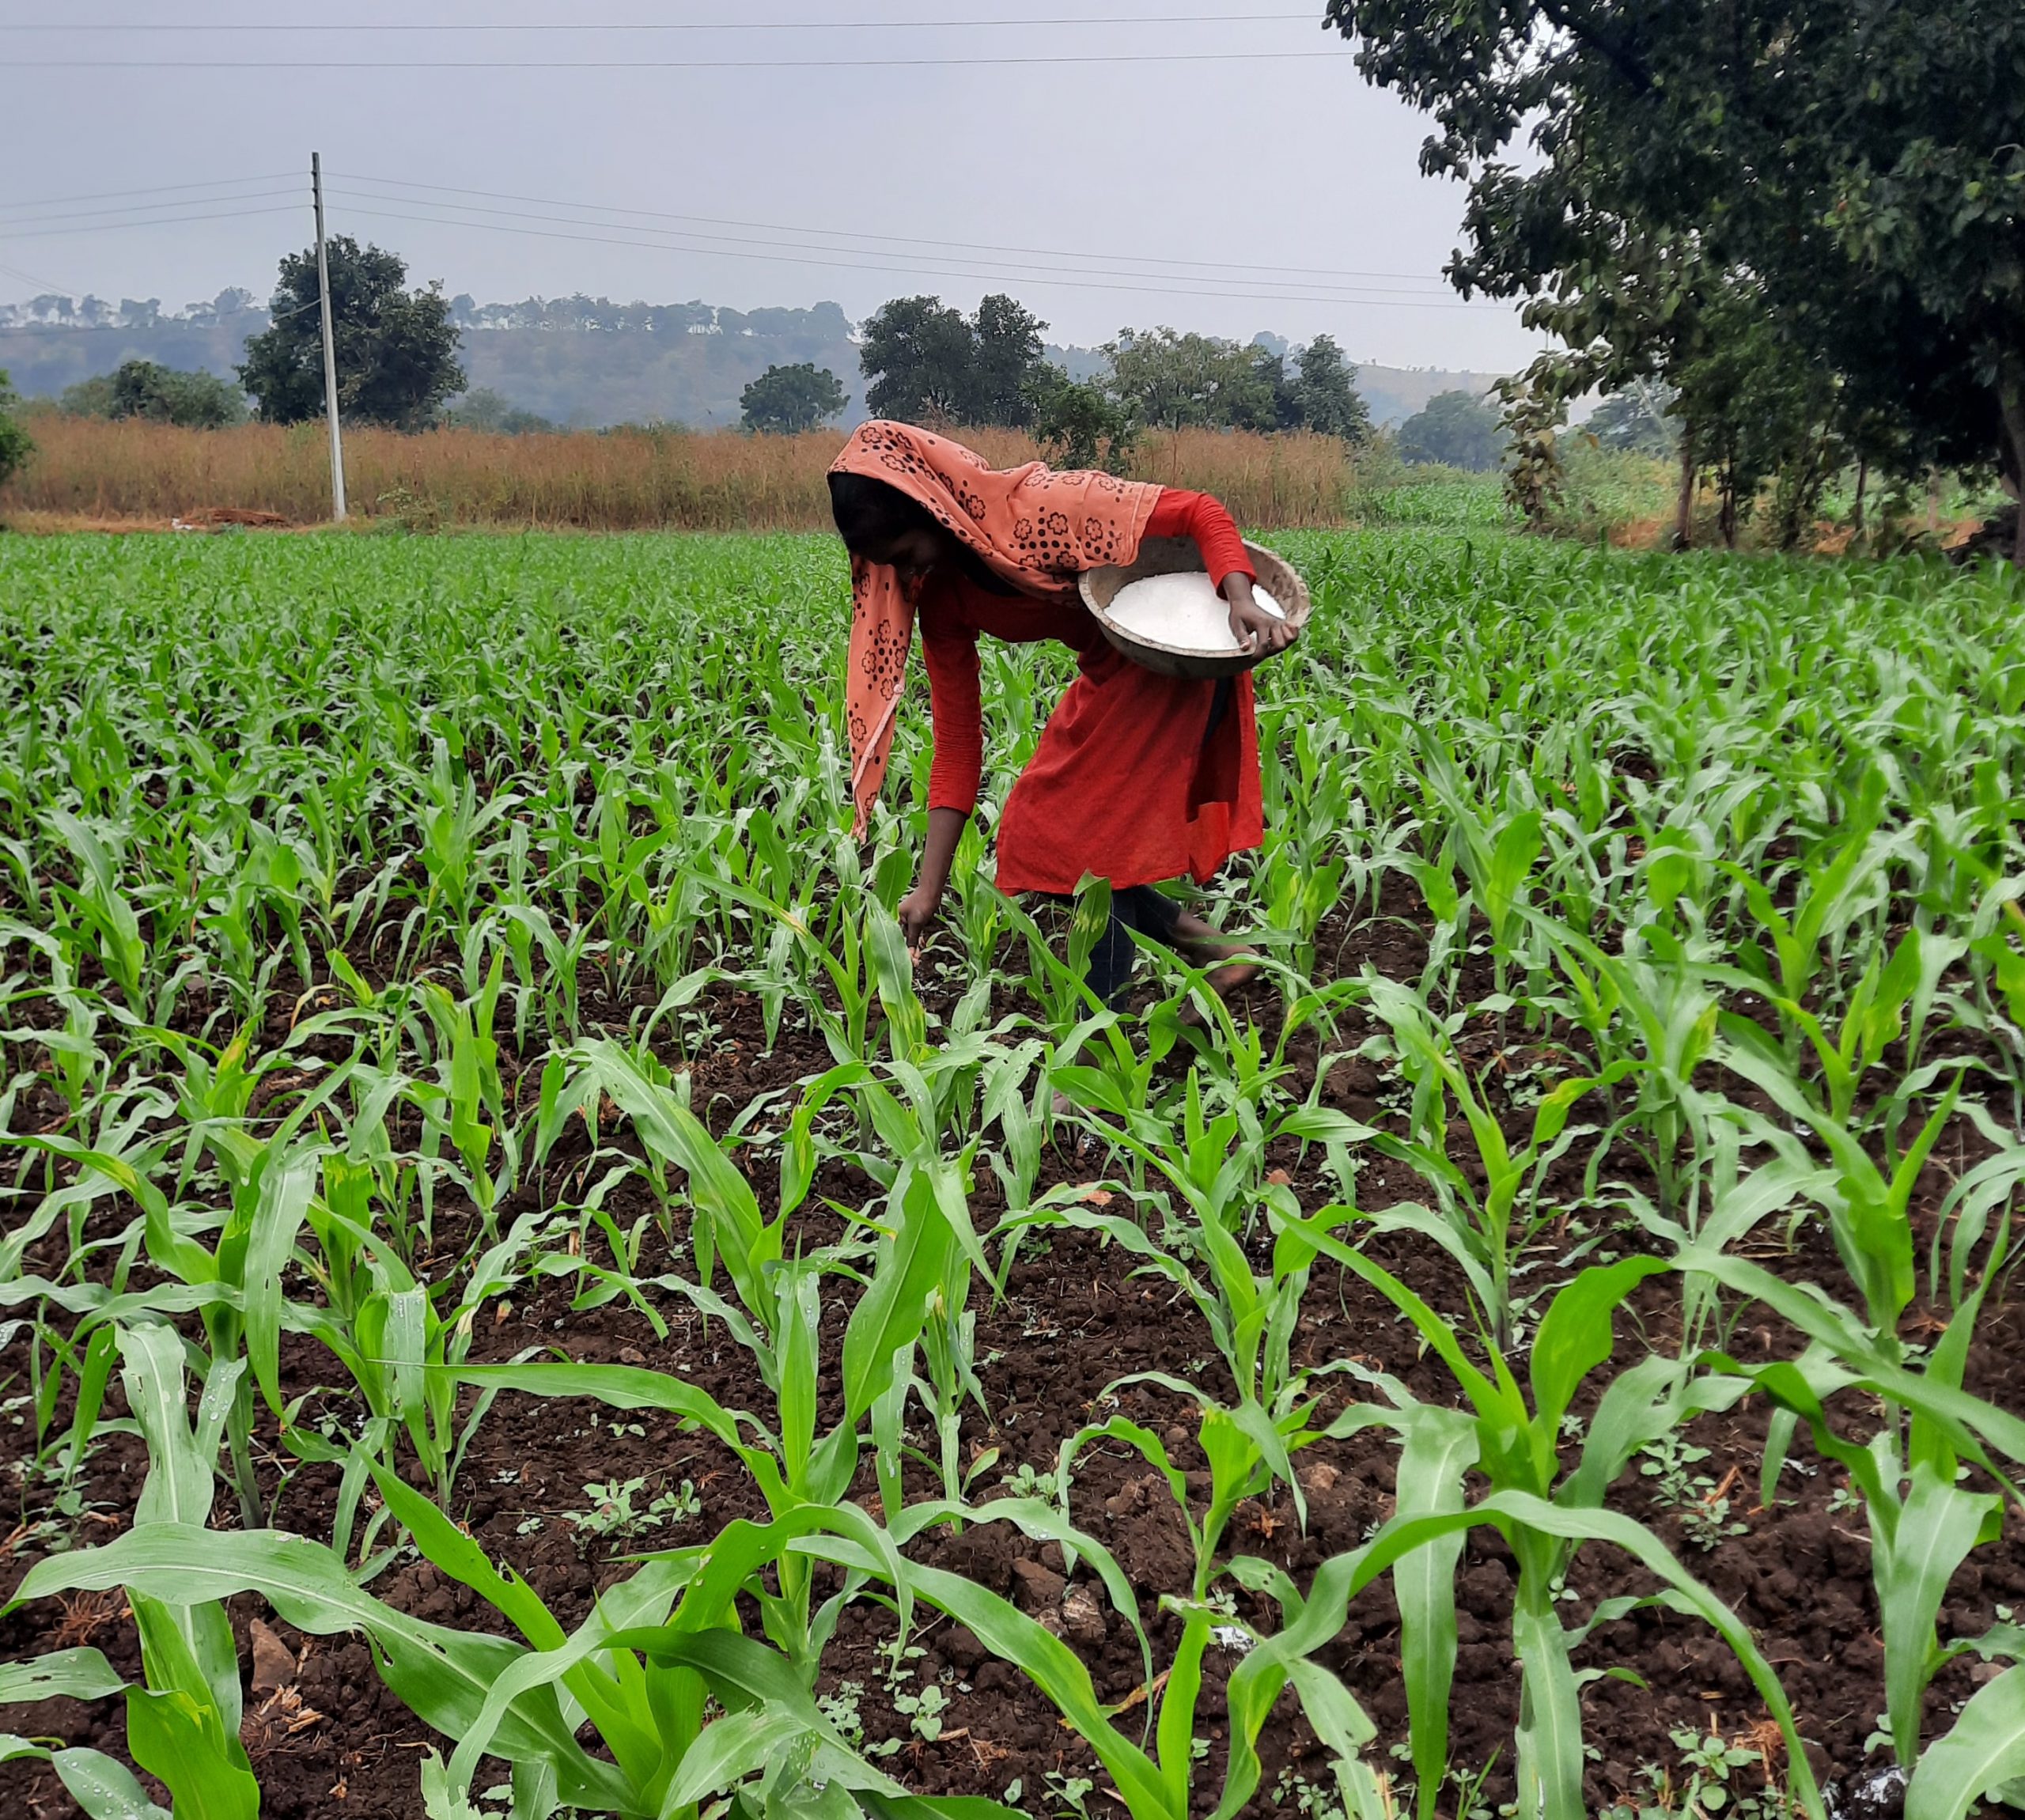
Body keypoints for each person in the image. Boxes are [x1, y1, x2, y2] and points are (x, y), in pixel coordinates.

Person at [830, 420, 1295, 1012]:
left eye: (906, 552)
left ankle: (1098, 1041)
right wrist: (928, 888)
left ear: (934, 506)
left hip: (1173, 661)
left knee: (1089, 846)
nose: (907, 573)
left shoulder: (1043, 509)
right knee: (1040, 833)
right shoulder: (943, 600)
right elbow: (957, 744)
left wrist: (1240, 596)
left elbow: (1199, 511)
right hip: (1112, 674)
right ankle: (1213, 951)